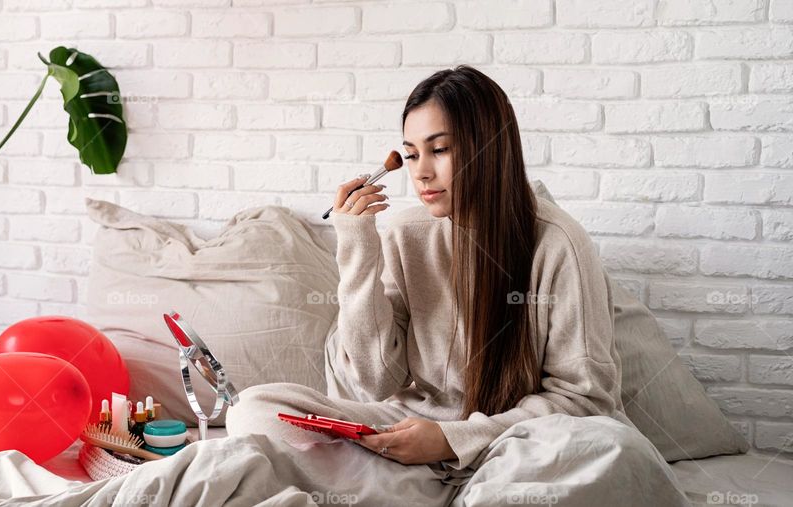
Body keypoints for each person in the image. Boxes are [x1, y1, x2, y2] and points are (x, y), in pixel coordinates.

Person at [225, 65, 690, 506]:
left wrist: (453, 439)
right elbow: (373, 382)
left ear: (490, 147)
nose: (421, 172)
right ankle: (430, 485)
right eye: (410, 154)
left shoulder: (558, 242)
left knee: (611, 447)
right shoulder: (406, 235)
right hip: (412, 430)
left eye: (440, 150)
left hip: (513, 442)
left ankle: (424, 486)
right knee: (255, 408)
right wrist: (358, 245)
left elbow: (585, 401)